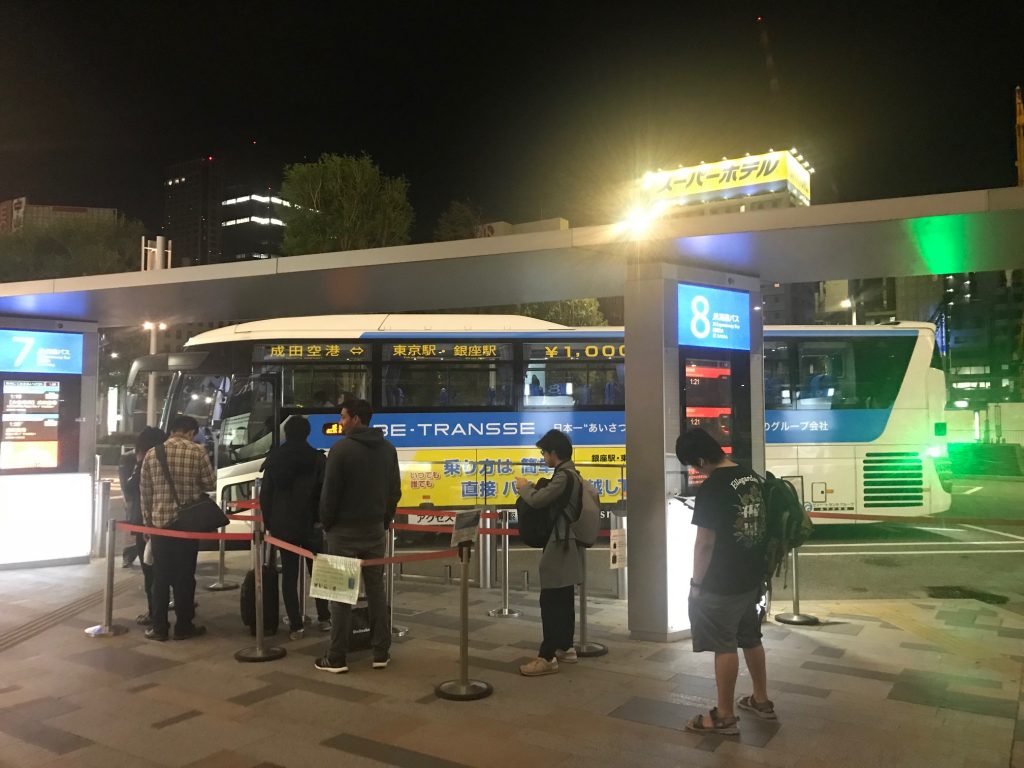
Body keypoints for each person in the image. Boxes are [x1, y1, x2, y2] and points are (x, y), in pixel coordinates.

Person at [674, 428, 775, 735]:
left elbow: (704, 542)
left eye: (694, 464)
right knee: (750, 637)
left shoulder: (713, 487)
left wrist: (696, 584)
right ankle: (761, 700)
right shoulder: (749, 475)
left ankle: (724, 716)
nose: (695, 470)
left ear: (702, 459)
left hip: (723, 580)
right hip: (752, 577)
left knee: (724, 644)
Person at [315, 398, 401, 673]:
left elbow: (330, 494)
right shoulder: (388, 449)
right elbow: (394, 491)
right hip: (375, 530)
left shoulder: (340, 450)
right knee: (376, 591)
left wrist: (327, 524)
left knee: (340, 594)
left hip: (342, 532)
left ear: (356, 419)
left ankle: (337, 657)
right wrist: (384, 520)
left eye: (343, 417)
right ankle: (380, 652)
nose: (340, 423)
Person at [514, 429, 584, 677]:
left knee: (551, 600)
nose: (543, 457)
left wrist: (523, 487)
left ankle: (547, 656)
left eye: (544, 452)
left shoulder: (564, 476)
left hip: (559, 543)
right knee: (563, 597)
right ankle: (566, 647)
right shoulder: (573, 474)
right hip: (566, 542)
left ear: (554, 452)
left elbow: (538, 500)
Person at [140, 414, 216, 642]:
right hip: (187, 525)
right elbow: (210, 484)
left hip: (161, 526)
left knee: (160, 577)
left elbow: (145, 493)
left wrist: (148, 524)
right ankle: (184, 625)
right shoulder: (197, 451)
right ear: (190, 432)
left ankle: (160, 627)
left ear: (172, 430)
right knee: (185, 576)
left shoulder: (153, 454)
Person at [259, 416, 332, 640]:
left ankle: (296, 625)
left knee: (289, 575)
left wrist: (270, 523)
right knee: (319, 572)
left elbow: (265, 496)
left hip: (283, 526)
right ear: (307, 433)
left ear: (286, 434)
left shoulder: (274, 459)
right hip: (311, 524)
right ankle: (324, 618)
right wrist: (321, 520)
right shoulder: (318, 459)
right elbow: (324, 493)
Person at [119, 427, 167, 625]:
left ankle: (155, 614)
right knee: (163, 570)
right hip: (167, 521)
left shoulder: (139, 461)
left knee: (151, 571)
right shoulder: (164, 457)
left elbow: (130, 489)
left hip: (145, 523)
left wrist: (139, 464)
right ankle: (165, 611)